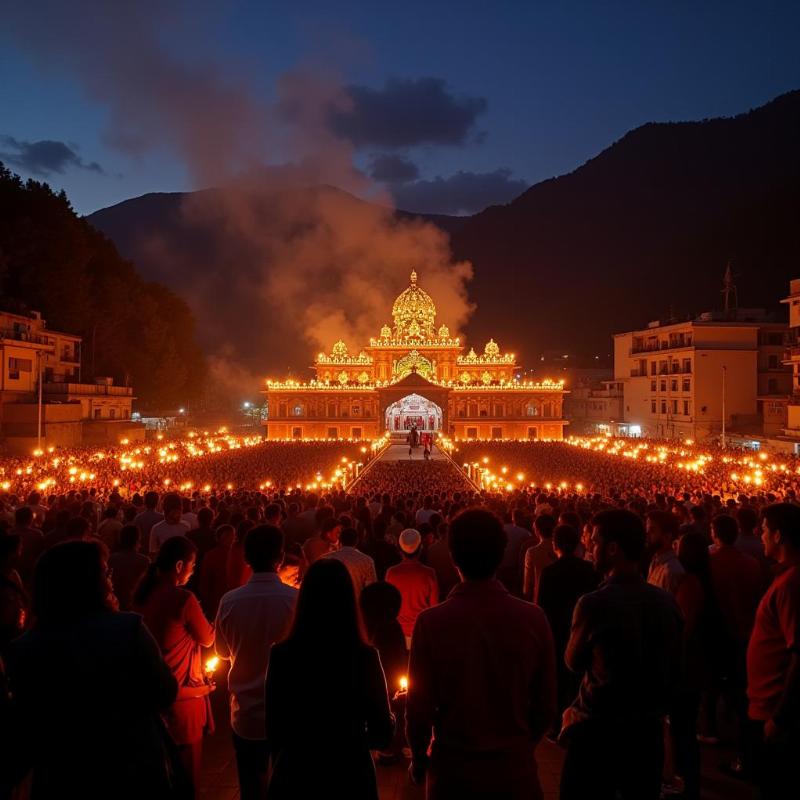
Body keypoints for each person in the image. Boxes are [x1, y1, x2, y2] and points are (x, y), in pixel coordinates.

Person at [2, 541, 179, 799]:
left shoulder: (23, 648)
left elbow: (24, 725)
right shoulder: (128, 630)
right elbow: (166, 691)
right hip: (130, 764)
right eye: (105, 572)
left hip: (63, 774)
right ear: (88, 582)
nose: (110, 579)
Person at [406, 508, 556, 800]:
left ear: (453, 557)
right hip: (515, 774)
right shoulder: (533, 618)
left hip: (453, 773)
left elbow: (419, 708)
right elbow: (546, 705)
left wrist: (419, 757)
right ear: (501, 556)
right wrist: (518, 744)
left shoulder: (432, 622)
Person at [560, 509, 683, 800]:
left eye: (593, 541)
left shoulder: (593, 604)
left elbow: (572, 662)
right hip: (646, 732)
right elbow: (675, 667)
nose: (588, 547)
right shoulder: (666, 603)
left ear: (613, 548)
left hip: (597, 731)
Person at [264, 558, 395, 799]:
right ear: (349, 599)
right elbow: (382, 734)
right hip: (350, 774)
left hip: (297, 774)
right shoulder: (364, 656)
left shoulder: (282, 655)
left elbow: (274, 726)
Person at [215, 526, 298, 800]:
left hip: (246, 712)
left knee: (251, 786)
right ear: (280, 558)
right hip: (289, 711)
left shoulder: (229, 602)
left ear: (247, 559)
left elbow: (223, 652)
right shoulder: (295, 601)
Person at [135, 536, 215, 793]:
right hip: (183, 698)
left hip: (151, 693)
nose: (193, 571)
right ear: (180, 566)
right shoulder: (183, 599)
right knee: (187, 777)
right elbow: (207, 637)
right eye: (193, 565)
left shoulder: (141, 596)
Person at [746, 503, 800, 800]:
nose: (760, 535)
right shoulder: (784, 577)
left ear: (779, 536)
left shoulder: (792, 583)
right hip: (766, 705)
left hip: (776, 712)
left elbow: (799, 655)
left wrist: (780, 717)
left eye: (764, 529)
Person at [536, 524, 598, 737]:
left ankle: (556, 726)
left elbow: (542, 606)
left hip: (557, 630)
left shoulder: (549, 573)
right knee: (579, 678)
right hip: (583, 631)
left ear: (555, 545)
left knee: (558, 680)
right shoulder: (589, 570)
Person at [386, 529, 438, 649]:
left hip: (399, 633)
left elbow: (389, 606)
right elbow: (434, 606)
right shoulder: (429, 573)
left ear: (400, 549)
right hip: (421, 631)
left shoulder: (391, 573)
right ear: (420, 549)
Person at [322, 526, 377, 597]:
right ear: (356, 541)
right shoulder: (367, 561)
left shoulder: (326, 558)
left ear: (340, 540)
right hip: (356, 605)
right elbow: (371, 589)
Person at [108, 524, 150, 611]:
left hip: (117, 604)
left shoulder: (112, 559)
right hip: (137, 604)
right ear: (137, 540)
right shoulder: (144, 560)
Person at [645, 510, 684, 595]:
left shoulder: (671, 571)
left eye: (652, 530)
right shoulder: (655, 560)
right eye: (647, 530)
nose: (647, 535)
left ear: (667, 536)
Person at [522, 513, 557, 601]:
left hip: (540, 597)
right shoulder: (561, 548)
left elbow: (528, 583)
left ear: (537, 530)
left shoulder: (532, 552)